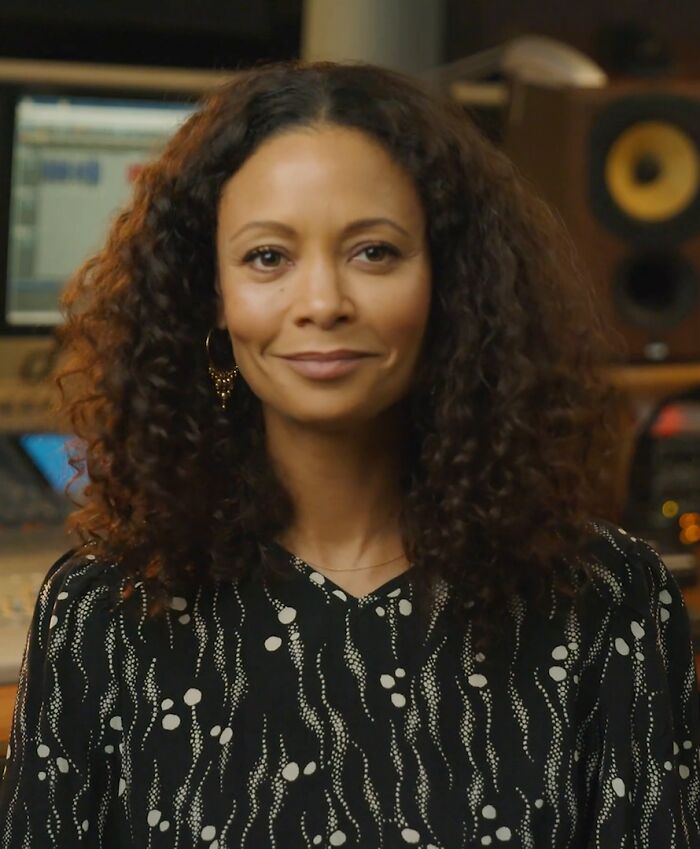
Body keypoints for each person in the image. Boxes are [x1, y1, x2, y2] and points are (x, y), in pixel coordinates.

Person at [0, 59, 698, 849]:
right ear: (211, 296)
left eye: (374, 253)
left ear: (453, 286)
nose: (323, 302)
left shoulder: (608, 603)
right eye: (268, 257)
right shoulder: (101, 615)